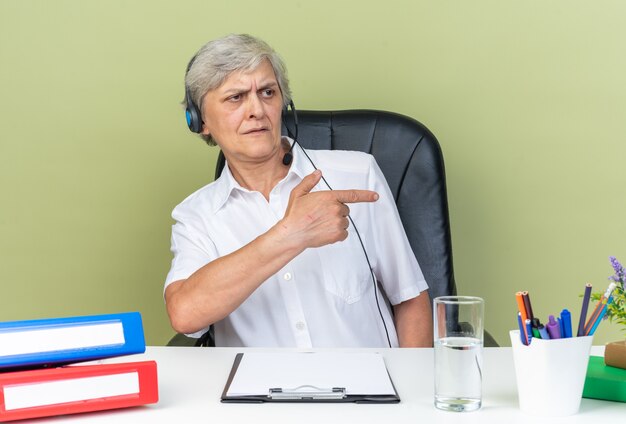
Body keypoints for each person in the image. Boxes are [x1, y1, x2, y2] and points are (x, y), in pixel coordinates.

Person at [164, 34, 433, 348]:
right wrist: (290, 234)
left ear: (283, 103)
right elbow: (184, 314)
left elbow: (410, 299)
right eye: (236, 97)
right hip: (256, 393)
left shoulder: (358, 175)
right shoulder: (197, 216)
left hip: (368, 391)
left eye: (267, 92)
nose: (257, 110)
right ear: (200, 121)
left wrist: (412, 392)